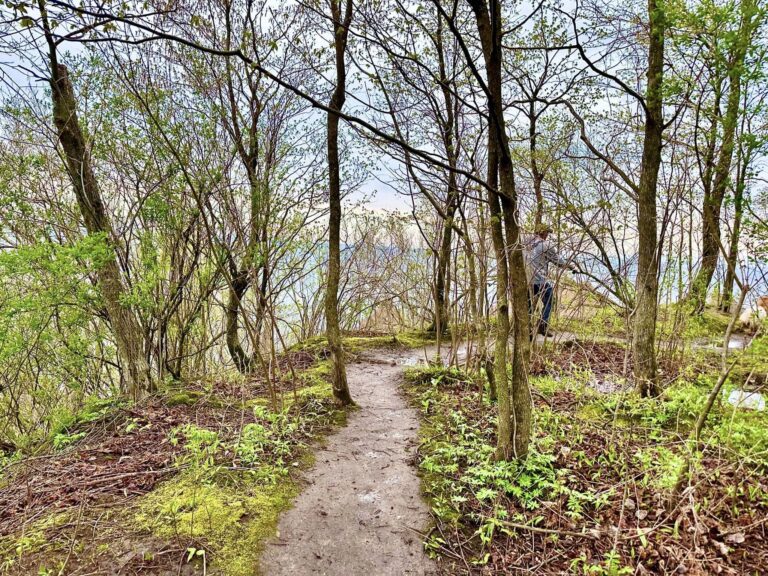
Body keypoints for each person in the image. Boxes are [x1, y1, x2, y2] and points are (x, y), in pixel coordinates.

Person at [527, 224, 578, 336]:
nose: (547, 235)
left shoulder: (526, 242)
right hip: (540, 280)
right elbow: (558, 261)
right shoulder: (546, 245)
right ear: (543, 232)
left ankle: (527, 329)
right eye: (547, 233)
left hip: (526, 280)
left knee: (528, 304)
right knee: (549, 300)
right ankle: (543, 325)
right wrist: (572, 267)